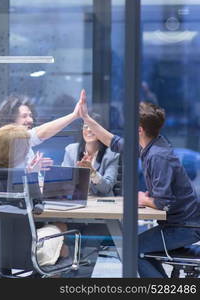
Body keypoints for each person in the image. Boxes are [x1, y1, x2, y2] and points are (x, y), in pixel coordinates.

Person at [78, 92, 200, 278]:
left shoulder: (158, 156)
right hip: (180, 224)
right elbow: (113, 141)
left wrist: (143, 198)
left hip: (185, 228)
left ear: (139, 130)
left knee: (131, 249)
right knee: (137, 249)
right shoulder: (151, 146)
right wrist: (86, 117)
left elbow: (162, 203)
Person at [0, 124, 69, 266]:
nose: (27, 150)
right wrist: (32, 176)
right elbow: (38, 208)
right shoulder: (20, 177)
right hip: (22, 246)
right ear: (15, 151)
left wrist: (28, 173)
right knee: (62, 237)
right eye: (24, 147)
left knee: (60, 248)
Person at [0, 92, 83, 165]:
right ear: (11, 118)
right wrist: (74, 115)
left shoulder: (26, 146)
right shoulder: (9, 138)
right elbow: (42, 132)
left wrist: (32, 168)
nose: (30, 120)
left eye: (30, 115)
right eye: (24, 116)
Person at [62, 113, 120, 197]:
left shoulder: (111, 155)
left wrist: (92, 172)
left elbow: (107, 188)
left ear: (101, 130)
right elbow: (64, 182)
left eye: (93, 127)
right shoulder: (71, 150)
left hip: (102, 204)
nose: (89, 129)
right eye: (86, 126)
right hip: (77, 200)